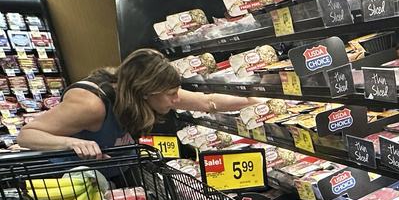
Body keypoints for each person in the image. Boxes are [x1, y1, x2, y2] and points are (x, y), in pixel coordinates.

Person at [17, 48, 262, 159]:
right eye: (171, 94)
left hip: (118, 167)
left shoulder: (144, 92)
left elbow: (208, 102)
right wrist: (73, 143)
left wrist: (261, 99)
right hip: (76, 179)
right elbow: (27, 135)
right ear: (146, 92)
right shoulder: (91, 105)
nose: (177, 100)